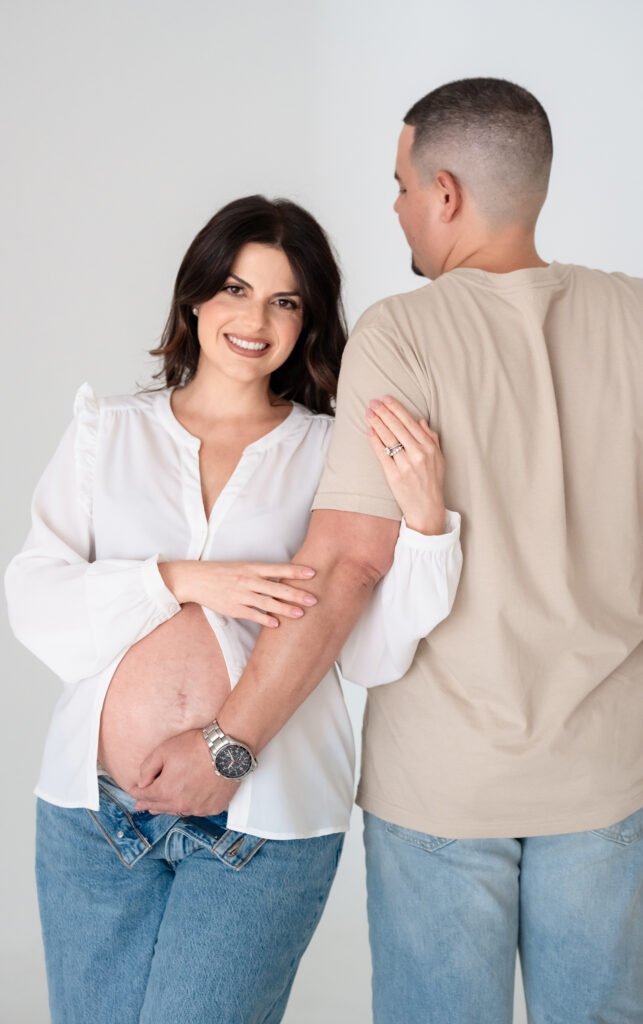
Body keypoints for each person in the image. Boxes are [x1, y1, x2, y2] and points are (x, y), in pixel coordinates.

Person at [134, 81, 643, 1023]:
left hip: (442, 787)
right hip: (610, 774)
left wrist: (228, 743)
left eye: (401, 184)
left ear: (443, 193)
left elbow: (347, 567)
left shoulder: (403, 332)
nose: (397, 206)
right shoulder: (633, 316)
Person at [5, 194, 462, 1024]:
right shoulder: (106, 430)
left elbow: (371, 654)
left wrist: (428, 526)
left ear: (309, 318)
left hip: (264, 822)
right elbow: (34, 599)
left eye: (285, 300)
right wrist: (179, 578)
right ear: (194, 298)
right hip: (93, 814)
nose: (256, 319)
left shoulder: (333, 450)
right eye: (236, 289)